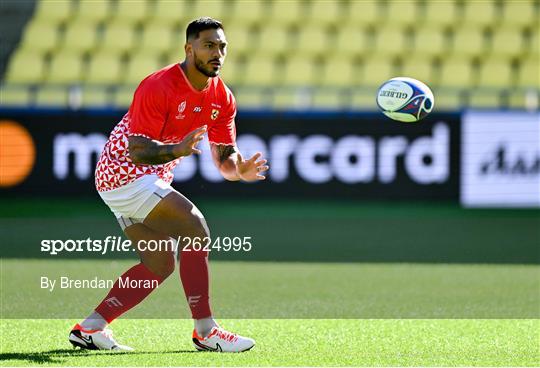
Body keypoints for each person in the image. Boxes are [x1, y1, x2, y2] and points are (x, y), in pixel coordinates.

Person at [68, 17, 268, 353]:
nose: (217, 53)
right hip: (124, 173)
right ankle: (206, 332)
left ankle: (90, 328)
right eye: (208, 46)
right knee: (196, 230)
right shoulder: (158, 85)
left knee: (159, 264)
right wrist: (177, 149)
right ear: (189, 49)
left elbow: (225, 158)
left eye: (222, 47)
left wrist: (239, 170)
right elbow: (137, 151)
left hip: (139, 181)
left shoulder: (222, 98)